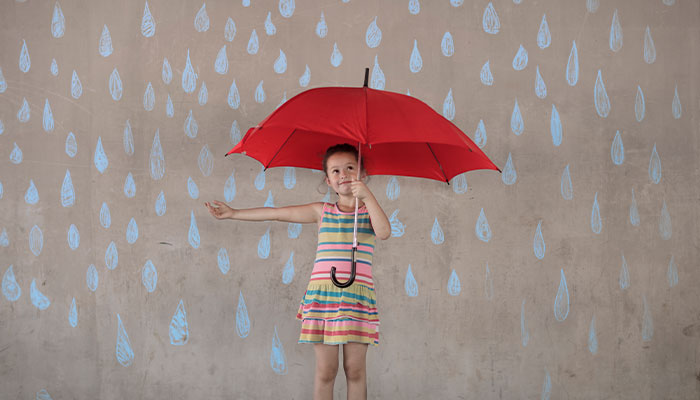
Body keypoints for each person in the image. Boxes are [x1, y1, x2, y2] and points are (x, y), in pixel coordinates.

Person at [205, 143, 390, 400]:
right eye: (335, 171)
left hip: (357, 299)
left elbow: (384, 232)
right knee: (326, 371)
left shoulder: (369, 213)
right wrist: (234, 213)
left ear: (363, 175)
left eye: (350, 168)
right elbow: (277, 213)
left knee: (355, 370)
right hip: (323, 298)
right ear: (328, 181)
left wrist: (368, 197)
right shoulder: (322, 211)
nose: (344, 175)